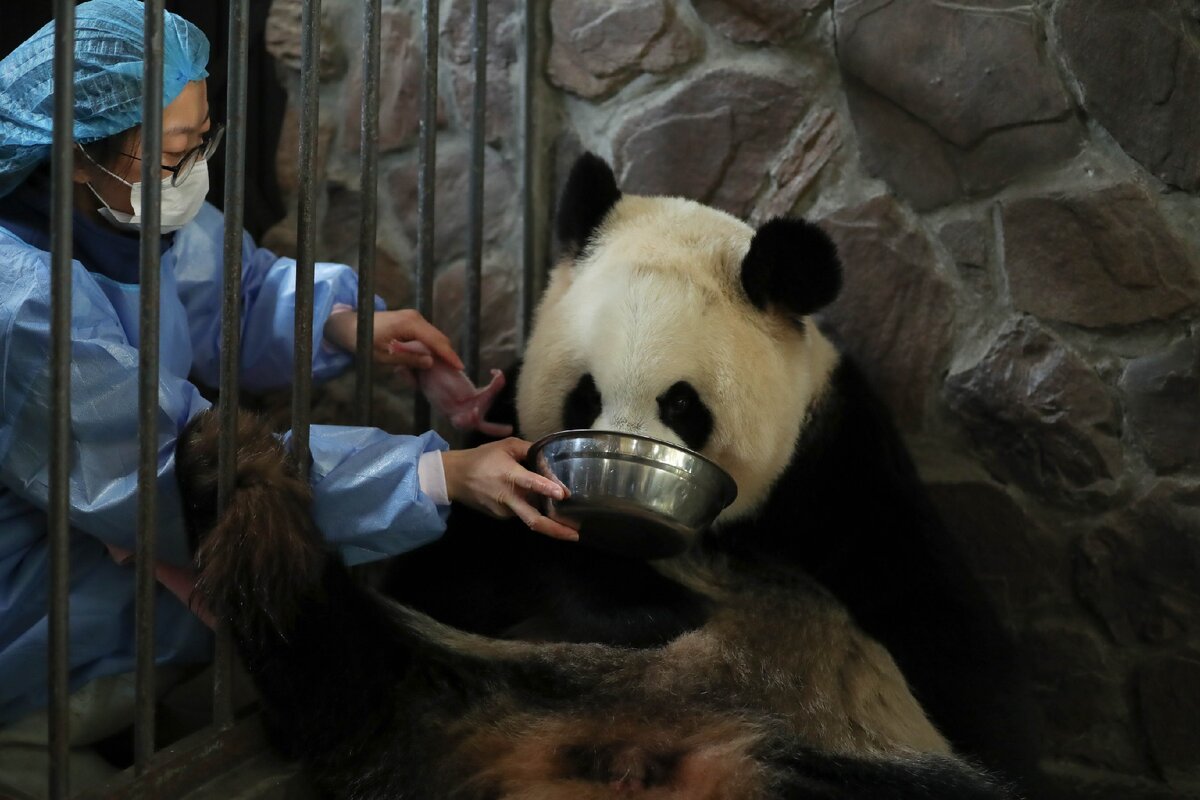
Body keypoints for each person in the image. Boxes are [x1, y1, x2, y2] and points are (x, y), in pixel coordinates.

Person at [0, 2, 575, 794]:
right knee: (258, 587)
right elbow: (175, 468)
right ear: (73, 154)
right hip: (28, 590)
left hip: (96, 531)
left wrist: (346, 326)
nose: (194, 169)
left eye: (204, 139)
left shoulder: (131, 209)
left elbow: (236, 291)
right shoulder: (21, 301)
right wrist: (436, 475)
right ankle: (33, 747)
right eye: (174, 149)